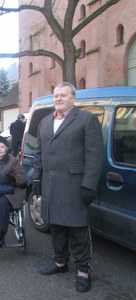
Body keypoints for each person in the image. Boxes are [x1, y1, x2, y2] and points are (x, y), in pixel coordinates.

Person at [32, 82, 104, 293]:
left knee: (78, 230)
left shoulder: (86, 120)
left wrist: (89, 185)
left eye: (63, 95)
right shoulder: (45, 122)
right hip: (51, 185)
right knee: (56, 227)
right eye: (56, 95)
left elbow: (94, 155)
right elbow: (39, 153)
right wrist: (37, 179)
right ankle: (60, 263)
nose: (58, 98)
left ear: (73, 98)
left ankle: (83, 271)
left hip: (75, 185)